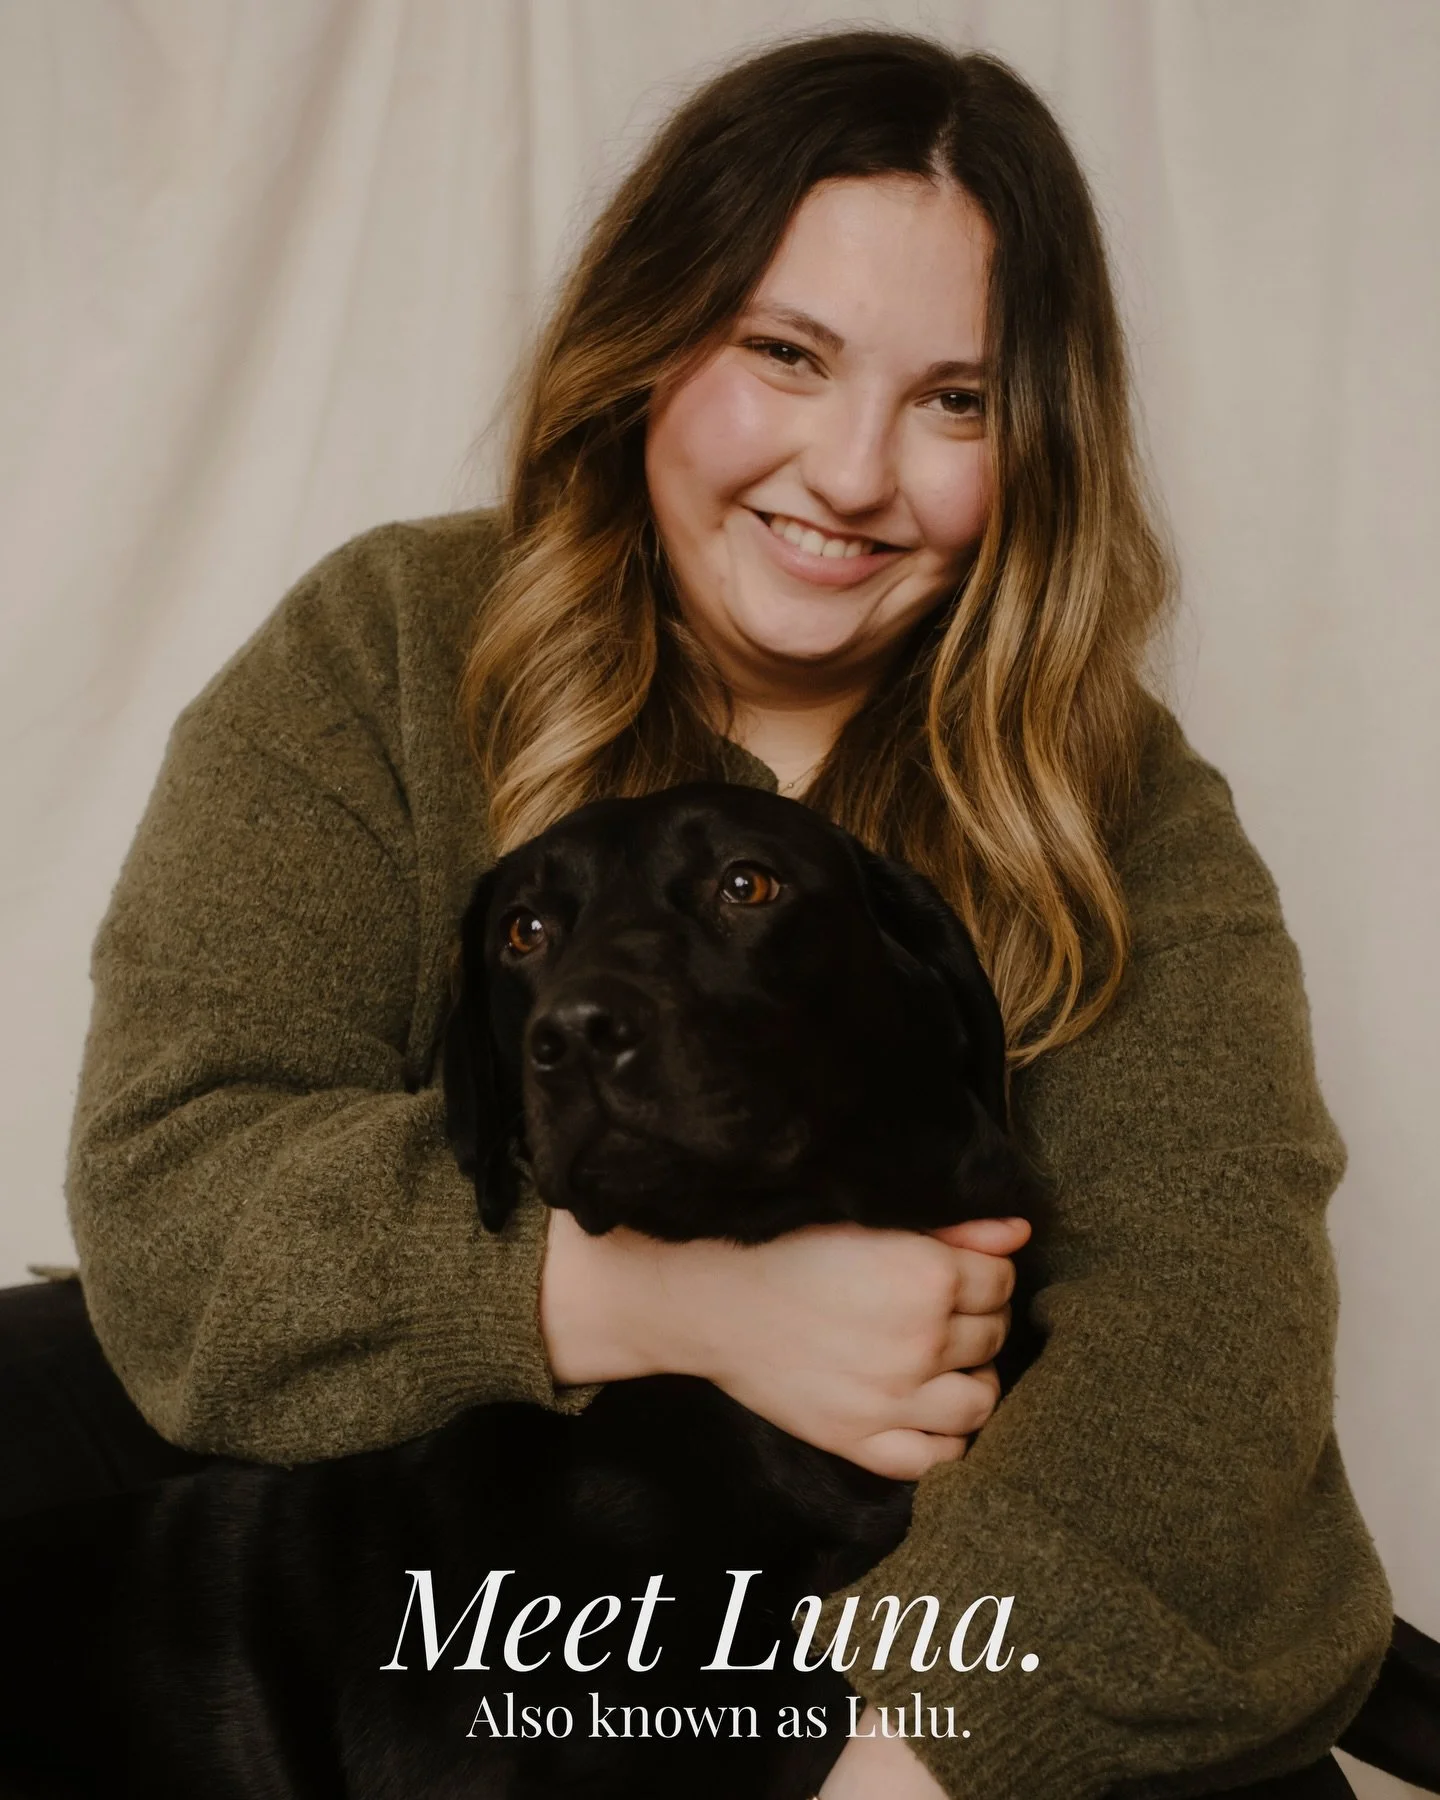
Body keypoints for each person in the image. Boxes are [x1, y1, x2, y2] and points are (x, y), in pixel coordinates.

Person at [5, 29, 1391, 1800]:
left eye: (954, 401)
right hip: (448, 1506)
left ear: (1034, 442)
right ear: (651, 342)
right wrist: (658, 1301)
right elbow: (176, 1185)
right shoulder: (387, 649)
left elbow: (1205, 1332)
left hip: (853, 1546)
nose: (852, 472)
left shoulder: (1114, 802)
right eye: (786, 355)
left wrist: (905, 1760)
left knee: (1195, 1640)